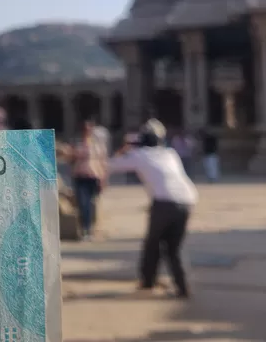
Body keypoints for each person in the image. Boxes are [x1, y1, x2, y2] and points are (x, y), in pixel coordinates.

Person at [107, 131, 198, 299]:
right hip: (187, 200)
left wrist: (123, 149)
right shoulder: (170, 153)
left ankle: (148, 281)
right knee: (174, 248)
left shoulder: (140, 154)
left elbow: (110, 165)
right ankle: (183, 287)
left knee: (152, 243)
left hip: (164, 202)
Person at [64, 119, 108, 240]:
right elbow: (69, 159)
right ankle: (84, 229)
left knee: (91, 203)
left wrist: (103, 179)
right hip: (80, 176)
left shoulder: (97, 144)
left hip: (94, 176)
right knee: (83, 203)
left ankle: (90, 229)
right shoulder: (77, 143)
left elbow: (103, 162)